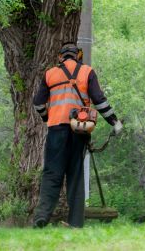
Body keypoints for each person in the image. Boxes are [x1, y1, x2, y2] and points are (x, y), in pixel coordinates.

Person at [32, 42, 123, 228]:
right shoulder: (87, 72)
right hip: (79, 132)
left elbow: (38, 104)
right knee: (75, 176)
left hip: (56, 129)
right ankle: (75, 223)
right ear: (78, 55)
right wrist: (114, 121)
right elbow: (99, 101)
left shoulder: (50, 74)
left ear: (60, 57)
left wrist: (47, 117)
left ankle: (41, 217)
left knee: (51, 173)